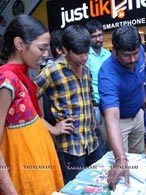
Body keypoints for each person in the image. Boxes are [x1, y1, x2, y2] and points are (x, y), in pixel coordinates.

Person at [0, 15, 64, 195]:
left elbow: (34, 115)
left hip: (40, 168)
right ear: (19, 44)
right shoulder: (6, 81)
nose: (46, 54)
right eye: (41, 48)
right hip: (23, 175)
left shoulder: (21, 76)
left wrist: (54, 129)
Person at [35, 24, 103, 184]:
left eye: (86, 51)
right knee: (75, 189)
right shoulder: (52, 71)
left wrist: (92, 116)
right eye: (79, 53)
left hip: (91, 142)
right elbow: (26, 100)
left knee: (99, 183)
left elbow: (89, 95)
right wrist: (51, 128)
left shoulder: (85, 69)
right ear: (65, 49)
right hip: (70, 148)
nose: (84, 56)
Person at [98, 25, 146, 190]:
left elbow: (141, 77)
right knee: (123, 168)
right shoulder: (107, 74)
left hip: (138, 116)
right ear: (115, 51)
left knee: (139, 161)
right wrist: (120, 159)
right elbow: (112, 117)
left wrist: (143, 97)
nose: (133, 59)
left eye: (135, 53)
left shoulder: (138, 50)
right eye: (127, 55)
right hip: (119, 124)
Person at [85, 19, 111, 151]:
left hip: (109, 102)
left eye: (100, 35)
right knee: (96, 140)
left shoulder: (108, 54)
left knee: (110, 138)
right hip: (94, 105)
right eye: (94, 36)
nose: (98, 39)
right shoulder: (86, 56)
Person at [41, 29, 63, 126]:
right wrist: (51, 128)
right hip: (57, 127)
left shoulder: (80, 68)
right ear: (59, 50)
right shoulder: (49, 72)